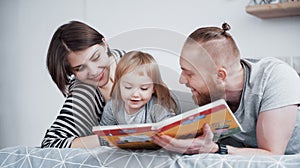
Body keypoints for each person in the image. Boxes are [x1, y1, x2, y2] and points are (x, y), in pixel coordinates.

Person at [153, 22, 300, 155]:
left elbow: (272, 154)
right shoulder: (211, 94)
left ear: (220, 75)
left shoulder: (276, 77)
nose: (181, 79)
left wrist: (215, 148)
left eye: (189, 73)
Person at [41, 21, 125, 148]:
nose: (94, 72)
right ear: (71, 72)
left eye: (96, 57)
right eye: (80, 68)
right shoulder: (85, 90)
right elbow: (51, 144)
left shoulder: (132, 62)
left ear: (105, 44)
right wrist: (112, 139)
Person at [100, 51, 177, 126]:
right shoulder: (113, 106)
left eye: (144, 88)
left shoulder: (157, 107)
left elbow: (171, 130)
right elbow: (103, 132)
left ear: (153, 88)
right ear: (118, 86)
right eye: (128, 87)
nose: (135, 94)